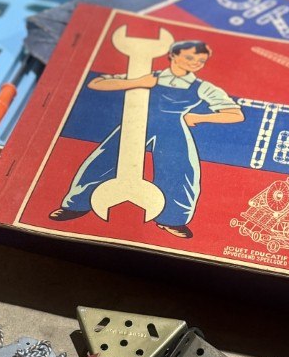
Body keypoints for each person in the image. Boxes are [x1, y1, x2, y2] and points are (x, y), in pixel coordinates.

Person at [49, 40, 243, 239]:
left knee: (182, 171)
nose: (195, 63)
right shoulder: (147, 75)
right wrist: (138, 82)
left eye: (201, 61)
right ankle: (74, 206)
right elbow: (95, 83)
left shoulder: (203, 87)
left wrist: (198, 117)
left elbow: (235, 114)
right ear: (173, 55)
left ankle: (173, 220)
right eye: (189, 57)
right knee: (103, 161)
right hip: (137, 121)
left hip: (172, 128)